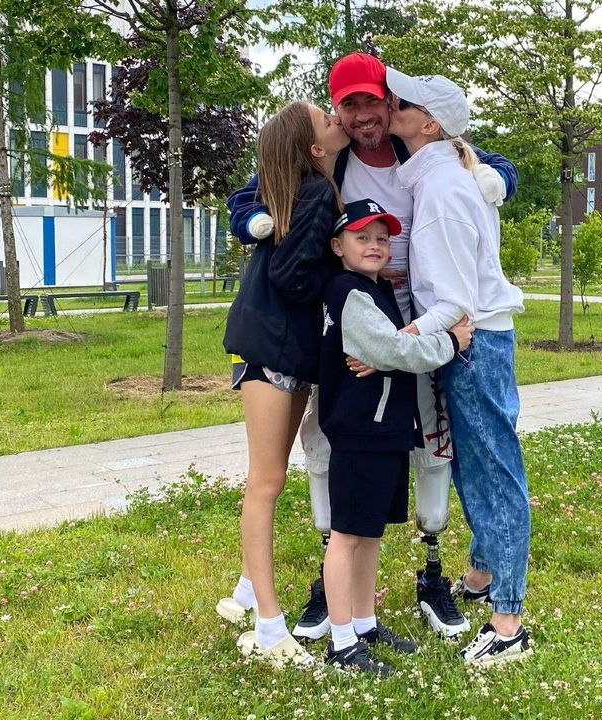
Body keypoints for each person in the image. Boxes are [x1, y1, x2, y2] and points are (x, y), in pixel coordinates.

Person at [221, 52, 518, 642]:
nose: (361, 115)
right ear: (335, 112)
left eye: (372, 101)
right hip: (346, 320)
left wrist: (498, 180)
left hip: (419, 317)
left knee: (427, 445)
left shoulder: (417, 145)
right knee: (334, 442)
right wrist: (255, 223)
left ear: (392, 104)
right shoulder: (328, 158)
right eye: (347, 105)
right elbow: (254, 193)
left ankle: (431, 568)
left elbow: (485, 159)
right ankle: (332, 581)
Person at [382, 67, 533, 666]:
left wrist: (392, 342)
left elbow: (453, 305)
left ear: (429, 124)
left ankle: (508, 623)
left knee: (493, 473)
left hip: (473, 343)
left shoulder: (442, 192)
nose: (390, 105)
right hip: (479, 341)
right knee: (476, 466)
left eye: (402, 102)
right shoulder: (443, 177)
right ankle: (481, 574)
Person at [317, 198, 473, 674]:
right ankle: (341, 643)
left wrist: (392, 349)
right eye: (362, 237)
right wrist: (451, 341)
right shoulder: (347, 291)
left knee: (369, 534)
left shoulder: (375, 287)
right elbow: (393, 350)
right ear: (337, 246)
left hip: (384, 431)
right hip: (359, 431)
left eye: (382, 238)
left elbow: (389, 348)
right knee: (346, 536)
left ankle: (364, 623)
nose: (375, 245)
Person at [219, 100, 347, 668]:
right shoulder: (315, 191)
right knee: (266, 482)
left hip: (278, 348)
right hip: (273, 350)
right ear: (314, 148)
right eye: (326, 119)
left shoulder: (296, 187)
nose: (336, 118)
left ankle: (249, 588)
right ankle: (269, 628)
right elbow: (291, 275)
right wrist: (346, 275)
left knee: (268, 477)